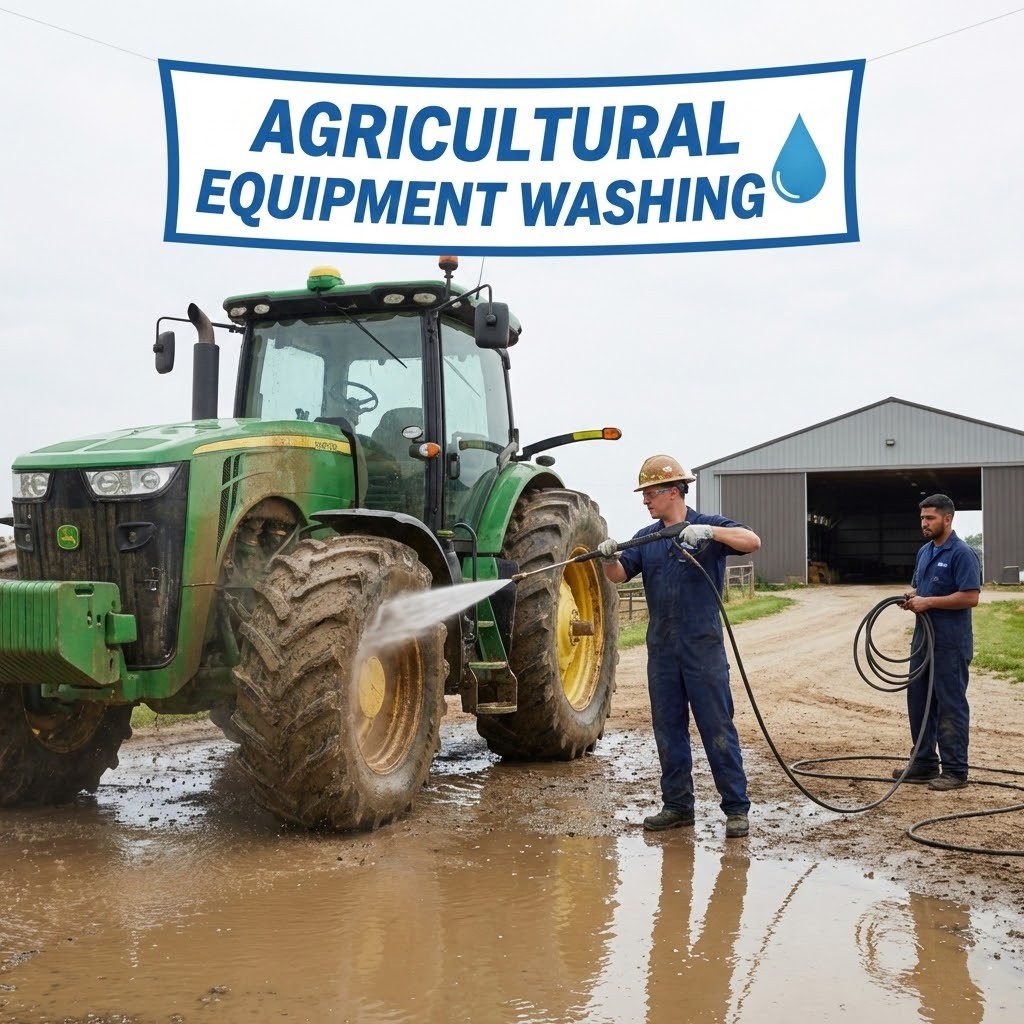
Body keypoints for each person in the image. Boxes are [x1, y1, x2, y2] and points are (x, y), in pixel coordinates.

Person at [600, 454, 761, 839]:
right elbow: (620, 575)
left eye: (651, 493)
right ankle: (677, 806)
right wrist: (605, 560)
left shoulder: (711, 526)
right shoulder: (648, 537)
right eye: (644, 495)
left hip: (702, 647)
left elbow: (752, 540)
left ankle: (736, 808)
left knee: (716, 725)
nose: (645, 500)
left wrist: (709, 534)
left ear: (674, 492)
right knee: (668, 728)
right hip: (663, 650)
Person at [896, 494, 981, 790]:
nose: (924, 523)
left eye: (930, 518)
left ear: (947, 519)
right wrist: (912, 598)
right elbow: (920, 588)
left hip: (950, 644)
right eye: (922, 518)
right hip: (923, 642)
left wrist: (928, 601)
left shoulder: (962, 553)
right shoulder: (925, 552)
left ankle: (956, 770)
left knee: (949, 704)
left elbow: (971, 597)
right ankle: (923, 763)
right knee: (918, 700)